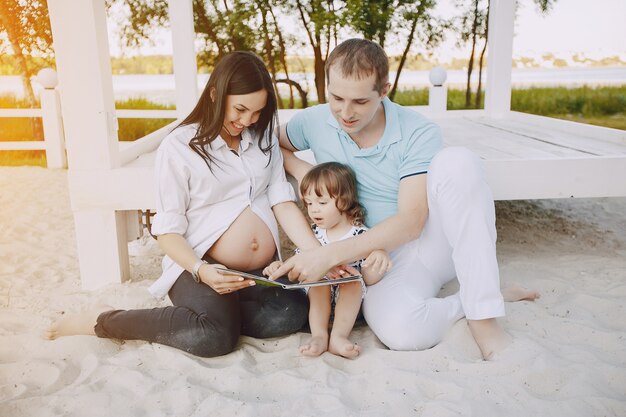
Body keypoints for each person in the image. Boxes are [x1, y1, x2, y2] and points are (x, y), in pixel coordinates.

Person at [271, 39, 539, 360]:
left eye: (359, 101)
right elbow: (272, 143)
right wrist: (306, 172)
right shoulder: (313, 121)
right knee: (402, 331)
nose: (345, 112)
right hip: (382, 259)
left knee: (458, 161)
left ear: (384, 89)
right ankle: (481, 297)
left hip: (430, 241)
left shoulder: (417, 131)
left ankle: (484, 319)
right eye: (336, 97)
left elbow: (413, 221)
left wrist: (328, 255)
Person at [46, 51, 321, 358]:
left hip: (259, 271)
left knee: (292, 311)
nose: (247, 121)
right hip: (198, 266)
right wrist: (202, 271)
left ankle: (218, 316)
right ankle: (105, 320)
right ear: (216, 94)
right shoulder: (179, 148)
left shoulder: (262, 137)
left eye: (257, 112)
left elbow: (281, 201)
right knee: (214, 339)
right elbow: (167, 230)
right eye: (240, 110)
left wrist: (317, 253)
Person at [264, 162, 390, 358]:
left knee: (352, 281)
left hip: (348, 307)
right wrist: (280, 267)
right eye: (309, 203)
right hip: (316, 303)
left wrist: (379, 255)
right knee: (318, 279)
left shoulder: (360, 236)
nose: (314, 211)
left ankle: (339, 337)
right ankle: (319, 336)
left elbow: (369, 277)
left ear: (345, 201)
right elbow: (298, 268)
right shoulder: (312, 236)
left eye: (322, 203)